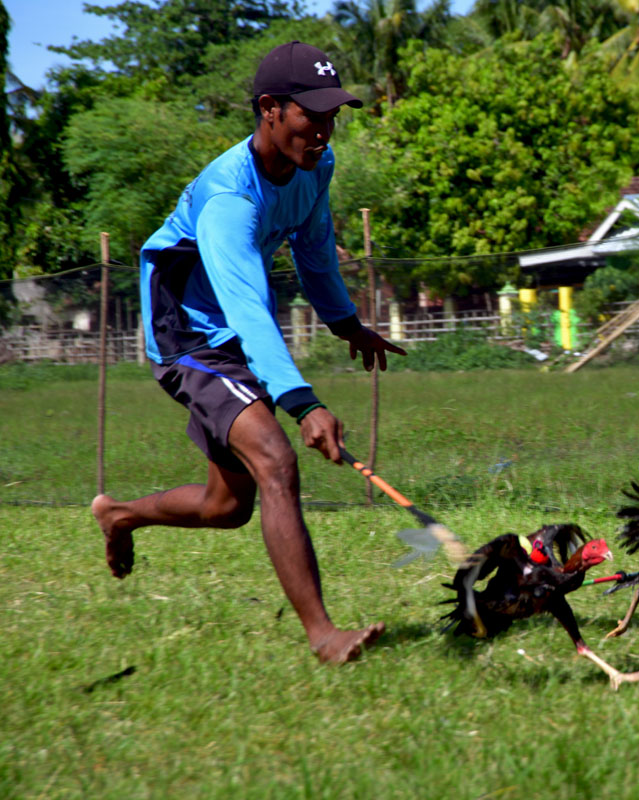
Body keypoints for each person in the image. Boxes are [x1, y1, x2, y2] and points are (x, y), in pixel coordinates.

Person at [90, 41, 404, 664]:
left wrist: (347, 324)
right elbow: (248, 307)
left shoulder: (316, 165)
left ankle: (119, 514)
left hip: (230, 329)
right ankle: (324, 636)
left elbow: (314, 250)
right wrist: (302, 403)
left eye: (332, 116)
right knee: (276, 462)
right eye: (311, 115)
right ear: (270, 109)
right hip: (187, 334)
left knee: (227, 506)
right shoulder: (230, 198)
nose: (324, 131)